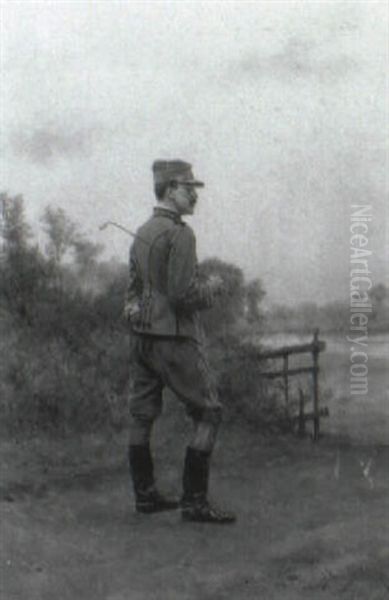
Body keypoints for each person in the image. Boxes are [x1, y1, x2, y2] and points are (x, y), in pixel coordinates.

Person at [124, 159, 236, 524]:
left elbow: (133, 293)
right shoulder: (181, 234)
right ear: (170, 189)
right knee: (209, 412)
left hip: (142, 339)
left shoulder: (143, 230)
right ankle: (194, 503)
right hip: (174, 339)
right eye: (189, 188)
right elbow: (182, 294)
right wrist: (214, 288)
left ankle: (145, 497)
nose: (195, 196)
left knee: (142, 416)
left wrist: (138, 316)